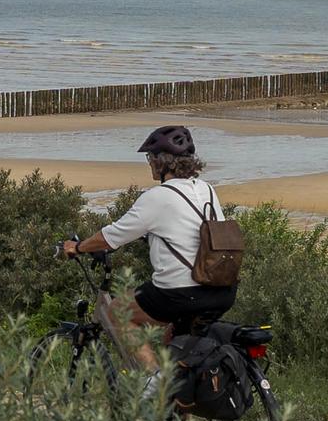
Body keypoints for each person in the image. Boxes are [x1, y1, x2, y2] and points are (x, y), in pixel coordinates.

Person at [59, 123, 232, 363]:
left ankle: (153, 383)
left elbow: (110, 237)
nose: (149, 162)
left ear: (163, 161)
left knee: (118, 313)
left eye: (150, 157)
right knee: (171, 340)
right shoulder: (207, 190)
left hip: (180, 292)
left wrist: (76, 247)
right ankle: (177, 395)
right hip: (221, 290)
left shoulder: (157, 197)